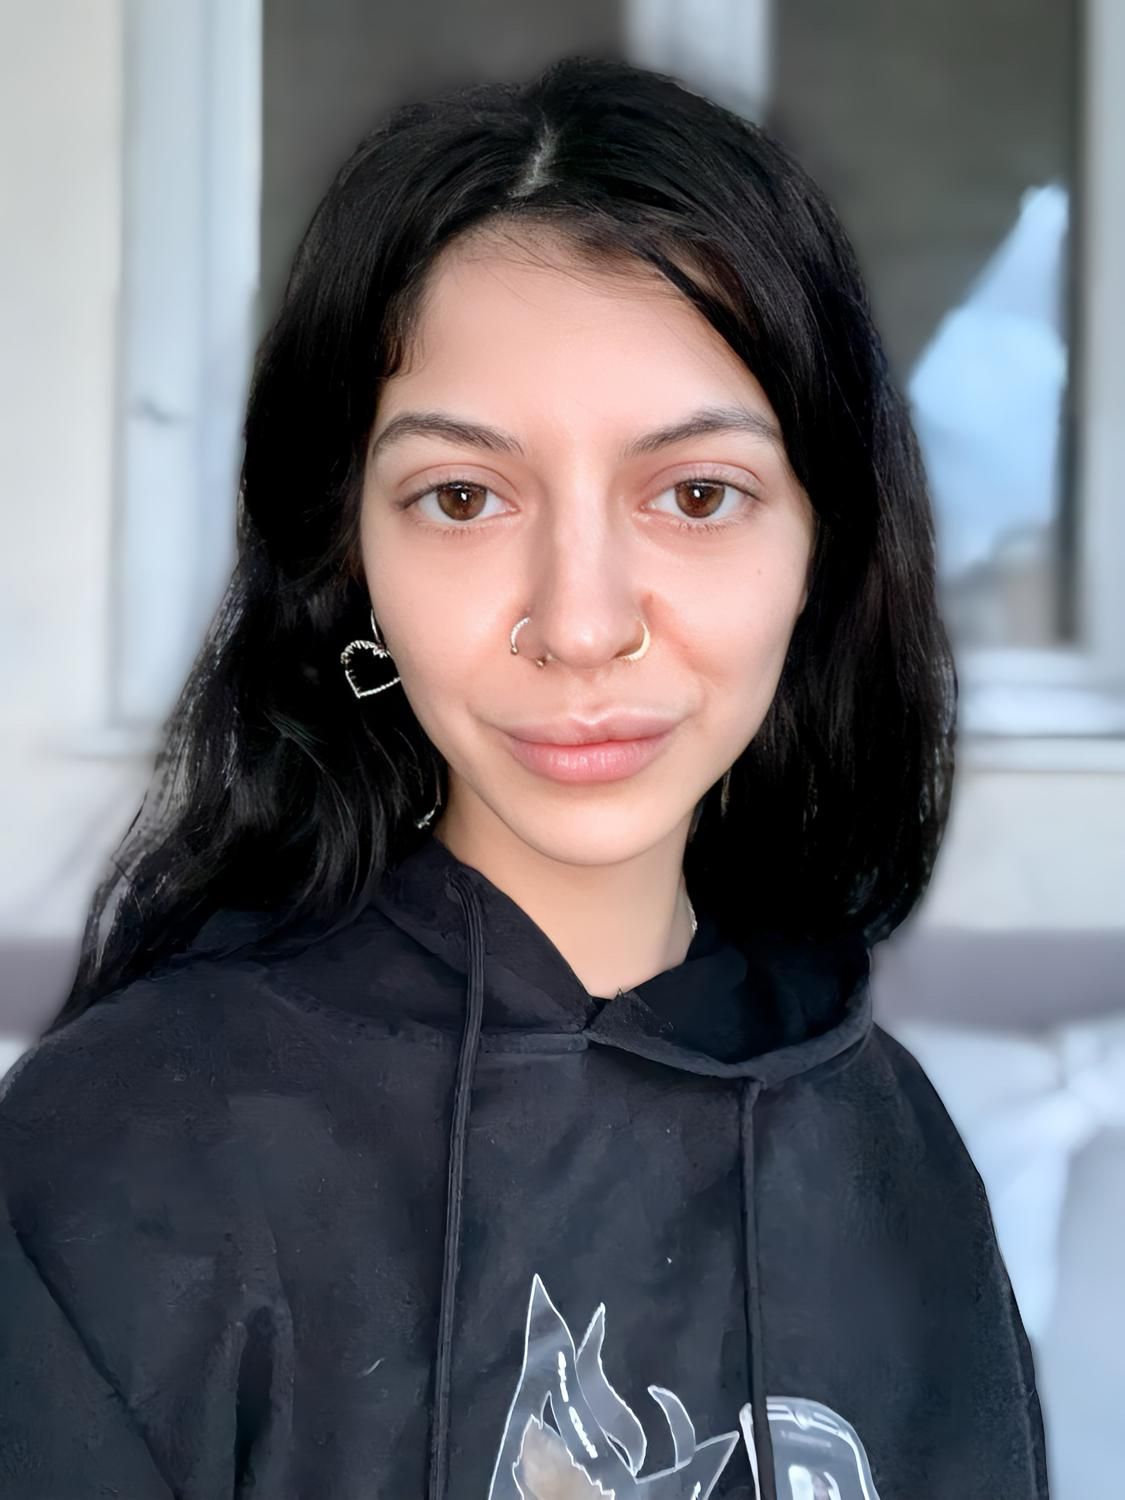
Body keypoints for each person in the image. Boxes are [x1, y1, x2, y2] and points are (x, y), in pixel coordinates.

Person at [0, 53, 1048, 1500]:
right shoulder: (123, 1154)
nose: (578, 623)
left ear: (823, 551)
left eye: (696, 495)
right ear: (351, 564)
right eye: (462, 497)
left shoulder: (894, 1151)